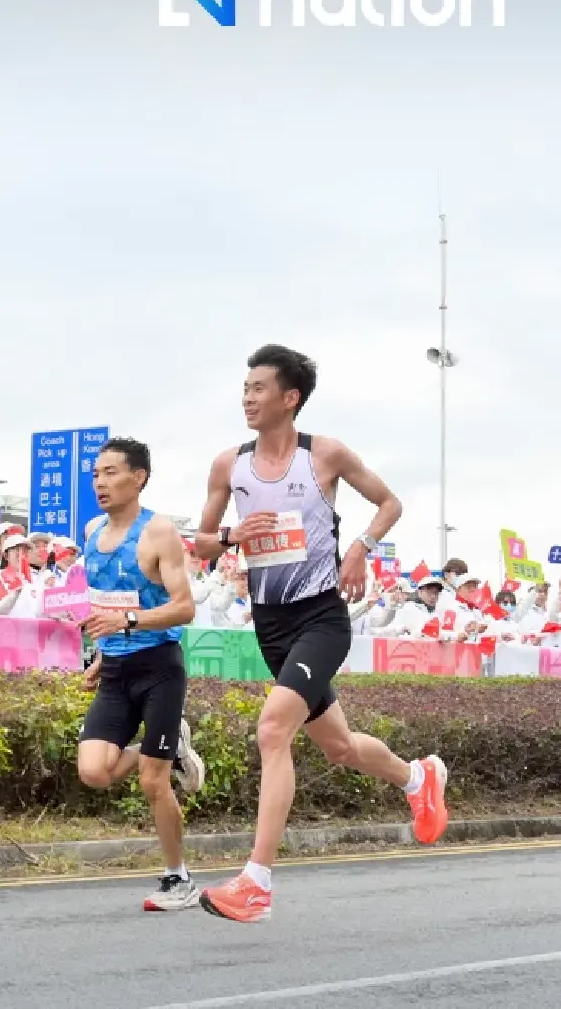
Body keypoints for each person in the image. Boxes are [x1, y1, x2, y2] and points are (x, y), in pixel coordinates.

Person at [191, 344, 446, 923]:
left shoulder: (324, 454)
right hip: (271, 625)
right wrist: (233, 535)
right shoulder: (228, 465)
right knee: (338, 747)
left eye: (259, 387)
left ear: (290, 398)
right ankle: (417, 776)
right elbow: (201, 543)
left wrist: (360, 547)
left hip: (321, 617)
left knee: (272, 728)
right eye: (245, 386)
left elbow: (390, 502)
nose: (247, 396)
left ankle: (256, 883)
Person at [73, 437, 207, 912]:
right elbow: (109, 605)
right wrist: (104, 657)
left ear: (139, 478)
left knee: (153, 782)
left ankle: (178, 878)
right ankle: (173, 748)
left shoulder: (159, 532)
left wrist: (127, 624)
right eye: (95, 474)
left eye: (111, 472)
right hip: (116, 670)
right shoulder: (91, 533)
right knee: (94, 771)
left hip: (158, 668)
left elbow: (184, 607)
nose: (100, 483)